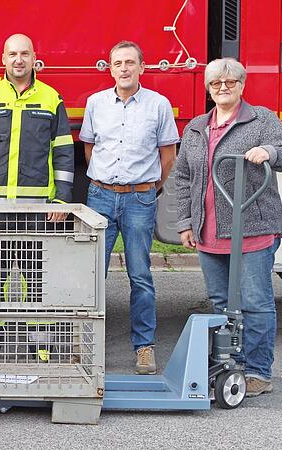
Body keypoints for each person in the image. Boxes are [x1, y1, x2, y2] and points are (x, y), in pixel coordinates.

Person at [174, 57, 282, 397]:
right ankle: (233, 365)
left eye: (230, 82)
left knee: (256, 303)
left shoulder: (261, 119)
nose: (223, 87)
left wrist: (268, 151)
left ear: (242, 86)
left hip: (253, 229)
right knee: (220, 302)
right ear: (208, 88)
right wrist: (186, 222)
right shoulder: (197, 127)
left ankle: (258, 371)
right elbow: (183, 177)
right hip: (209, 231)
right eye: (216, 83)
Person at [0, 33, 74, 360]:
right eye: (12, 54)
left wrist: (62, 199)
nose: (19, 60)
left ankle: (40, 342)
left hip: (37, 210)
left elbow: (64, 153)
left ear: (34, 57)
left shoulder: (52, 99)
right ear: (3, 59)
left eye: (25, 53)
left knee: (36, 279)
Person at [80, 40, 179, 375]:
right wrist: (107, 183)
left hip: (140, 198)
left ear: (142, 67)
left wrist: (149, 188)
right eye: (117, 63)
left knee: (141, 275)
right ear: (110, 68)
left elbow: (169, 156)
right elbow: (90, 150)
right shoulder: (95, 103)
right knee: (94, 275)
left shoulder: (158, 105)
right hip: (101, 197)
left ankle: (144, 348)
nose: (123, 68)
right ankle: (87, 346)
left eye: (130, 62)